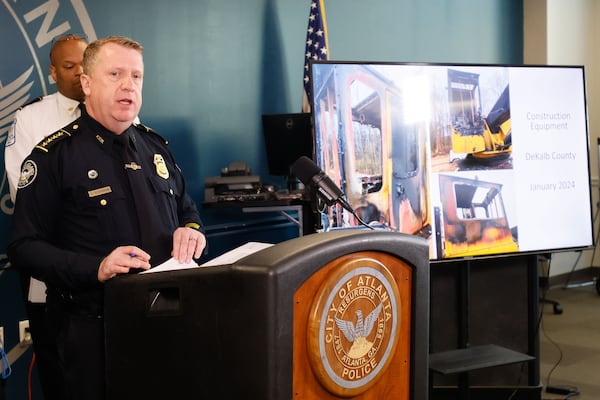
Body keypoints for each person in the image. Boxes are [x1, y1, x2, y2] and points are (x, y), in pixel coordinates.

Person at [7, 35, 207, 400]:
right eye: (115, 74)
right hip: (92, 333)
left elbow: (187, 210)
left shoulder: (155, 148)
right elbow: (23, 247)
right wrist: (95, 267)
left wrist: (192, 232)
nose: (128, 85)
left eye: (136, 76)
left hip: (167, 327)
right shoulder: (54, 156)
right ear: (86, 83)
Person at [4, 33, 87, 400]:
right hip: (52, 259)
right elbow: (27, 195)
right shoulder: (31, 119)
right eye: (69, 67)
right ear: (53, 72)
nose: (80, 73)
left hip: (106, 260)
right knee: (57, 363)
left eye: (86, 63)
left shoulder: (119, 114)